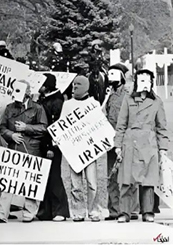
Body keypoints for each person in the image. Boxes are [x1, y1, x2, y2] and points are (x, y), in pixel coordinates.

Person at [0, 80, 47, 224]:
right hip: (13, 149)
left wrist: (27, 127)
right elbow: (1, 127)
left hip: (31, 149)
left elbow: (44, 128)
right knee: (7, 182)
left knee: (30, 182)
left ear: (27, 92)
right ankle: (1, 213)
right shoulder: (9, 108)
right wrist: (11, 134)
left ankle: (29, 212)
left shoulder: (38, 108)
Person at [115, 69, 169, 223]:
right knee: (126, 178)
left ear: (151, 82)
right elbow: (121, 124)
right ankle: (124, 212)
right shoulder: (128, 99)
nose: (144, 83)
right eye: (141, 80)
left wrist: (163, 149)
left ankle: (147, 211)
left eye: (147, 80)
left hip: (148, 144)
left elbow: (161, 127)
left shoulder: (157, 101)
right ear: (137, 82)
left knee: (148, 180)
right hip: (130, 142)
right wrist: (118, 145)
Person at [61, 75, 102, 222]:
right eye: (74, 84)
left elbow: (99, 126)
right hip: (74, 150)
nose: (75, 87)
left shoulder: (95, 104)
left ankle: (94, 211)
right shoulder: (67, 105)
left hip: (90, 149)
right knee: (75, 184)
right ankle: (78, 212)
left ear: (86, 86)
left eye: (79, 84)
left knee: (92, 183)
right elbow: (62, 126)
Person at [103, 63, 139, 221]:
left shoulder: (129, 93)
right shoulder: (108, 94)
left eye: (115, 74)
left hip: (126, 138)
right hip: (110, 139)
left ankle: (132, 209)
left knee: (129, 174)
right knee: (111, 175)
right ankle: (114, 210)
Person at [36, 73, 70, 222]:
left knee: (54, 177)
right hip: (44, 144)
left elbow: (55, 127)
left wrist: (51, 146)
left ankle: (59, 210)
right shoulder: (47, 99)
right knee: (46, 177)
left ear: (46, 85)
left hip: (51, 146)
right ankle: (47, 211)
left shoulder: (56, 101)